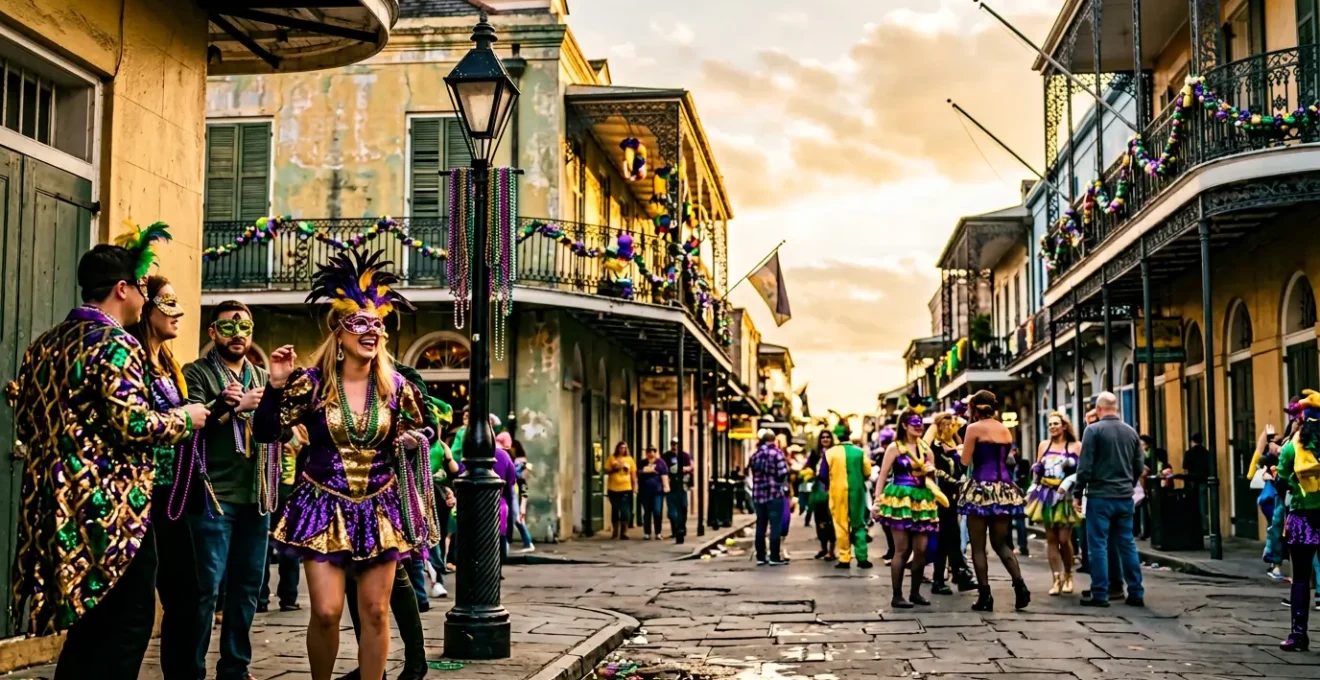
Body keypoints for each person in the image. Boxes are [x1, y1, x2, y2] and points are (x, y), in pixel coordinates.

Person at [8, 231, 210, 680]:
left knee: (89, 624)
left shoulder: (45, 343)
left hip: (54, 506)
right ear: (123, 288)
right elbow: (133, 424)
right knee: (127, 624)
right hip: (111, 512)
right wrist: (186, 418)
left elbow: (25, 422)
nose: (143, 298)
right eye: (141, 289)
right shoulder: (117, 343)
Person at [252, 250, 437, 680]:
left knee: (374, 612)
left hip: (379, 507)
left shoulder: (397, 389)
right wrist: (275, 385)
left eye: (378, 324)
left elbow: (429, 429)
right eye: (361, 323)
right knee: (327, 611)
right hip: (322, 507)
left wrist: (414, 440)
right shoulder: (311, 385)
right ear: (339, 331)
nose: (372, 331)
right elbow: (265, 432)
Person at [182, 300, 278, 680]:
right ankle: (191, 670)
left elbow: (280, 430)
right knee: (205, 590)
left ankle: (235, 668)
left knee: (247, 587)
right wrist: (230, 409)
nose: (237, 335)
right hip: (213, 496)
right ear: (211, 332)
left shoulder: (264, 377)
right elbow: (189, 424)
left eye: (244, 328)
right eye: (227, 328)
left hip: (257, 497)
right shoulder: (197, 373)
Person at [130, 274, 210, 680]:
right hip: (140, 495)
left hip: (175, 493)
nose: (177, 314)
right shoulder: (132, 359)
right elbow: (136, 422)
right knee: (139, 600)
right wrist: (185, 418)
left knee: (188, 593)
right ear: (146, 309)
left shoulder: (168, 363)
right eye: (167, 304)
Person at [959, 390, 1030, 612]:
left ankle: (985, 596)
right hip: (1003, 490)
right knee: (1001, 544)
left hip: (980, 489)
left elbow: (965, 461)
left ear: (973, 407)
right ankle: (1020, 588)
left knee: (978, 547)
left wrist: (956, 452)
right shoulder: (1004, 429)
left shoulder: (973, 429)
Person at [1072, 392, 1145, 608]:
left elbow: (1084, 467)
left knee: (1098, 546)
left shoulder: (1093, 430)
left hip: (1100, 497)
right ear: (1116, 408)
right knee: (1127, 544)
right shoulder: (1131, 432)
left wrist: (1077, 493)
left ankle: (1100, 593)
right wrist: (1128, 484)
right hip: (1124, 497)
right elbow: (1139, 466)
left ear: (1099, 408)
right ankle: (1135, 592)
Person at [875, 412, 939, 607]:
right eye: (914, 423)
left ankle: (915, 593)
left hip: (922, 501)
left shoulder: (927, 450)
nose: (919, 426)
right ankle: (897, 595)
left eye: (921, 423)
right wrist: (877, 502)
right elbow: (883, 475)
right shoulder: (894, 448)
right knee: (902, 549)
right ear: (904, 425)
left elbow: (931, 481)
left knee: (921, 549)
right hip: (899, 500)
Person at [1277, 390, 1320, 652]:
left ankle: (1298, 635)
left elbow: (1282, 482)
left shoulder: (1292, 448)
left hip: (1303, 518)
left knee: (1301, 578)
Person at [1026, 412, 1082, 596]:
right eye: (1050, 424)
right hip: (1047, 494)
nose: (1052, 427)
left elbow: (1082, 472)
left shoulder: (1076, 446)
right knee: (1051, 539)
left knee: (1064, 540)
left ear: (1064, 426)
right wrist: (1033, 486)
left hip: (1065, 496)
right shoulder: (1044, 445)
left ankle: (1068, 575)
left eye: (1056, 423)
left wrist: (1070, 483)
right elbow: (1038, 469)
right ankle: (1056, 579)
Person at [927, 413, 974, 595]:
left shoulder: (955, 442)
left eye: (950, 424)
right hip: (941, 496)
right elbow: (932, 467)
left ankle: (959, 575)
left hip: (955, 495)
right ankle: (939, 579)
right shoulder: (934, 447)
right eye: (943, 425)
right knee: (945, 537)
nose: (947, 428)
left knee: (953, 537)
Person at [260, 426, 305, 612]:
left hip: (267, 485)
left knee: (265, 542)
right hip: (285, 486)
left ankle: (261, 598)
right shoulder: (297, 426)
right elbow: (300, 444)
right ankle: (288, 597)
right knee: (287, 542)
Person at [826, 429, 874, 571]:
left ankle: (844, 558)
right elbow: (867, 472)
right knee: (858, 523)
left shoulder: (829, 453)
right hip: (857, 492)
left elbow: (823, 474)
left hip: (837, 493)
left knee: (841, 525)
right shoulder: (859, 452)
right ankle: (862, 558)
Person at [1247, 427, 1286, 579]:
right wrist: (1267, 437)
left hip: (1274, 499)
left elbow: (1258, 451)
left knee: (1276, 531)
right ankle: (1274, 563)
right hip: (1272, 499)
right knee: (1276, 530)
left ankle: (1273, 561)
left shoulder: (1274, 458)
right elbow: (1258, 452)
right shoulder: (1270, 459)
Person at [749, 430, 789, 566]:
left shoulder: (755, 455)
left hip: (758, 496)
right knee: (775, 526)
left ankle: (760, 556)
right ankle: (774, 556)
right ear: (774, 440)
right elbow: (783, 472)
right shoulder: (777, 454)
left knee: (761, 525)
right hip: (774, 495)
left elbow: (752, 472)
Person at [802, 430, 836, 560]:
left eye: (828, 437)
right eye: (823, 437)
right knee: (819, 519)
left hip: (833, 489)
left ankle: (831, 550)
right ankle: (823, 548)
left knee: (831, 520)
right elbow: (807, 467)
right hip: (818, 489)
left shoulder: (835, 453)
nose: (825, 439)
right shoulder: (815, 453)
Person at [664, 436, 695, 544]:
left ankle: (682, 528)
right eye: (673, 444)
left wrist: (685, 469)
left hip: (682, 486)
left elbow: (691, 466)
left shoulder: (684, 455)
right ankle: (675, 530)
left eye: (676, 444)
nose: (674, 446)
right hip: (671, 485)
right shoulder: (666, 456)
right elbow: (663, 469)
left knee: (683, 507)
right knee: (672, 511)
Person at [605, 441, 638, 539]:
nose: (622, 450)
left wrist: (635, 487)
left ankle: (624, 532)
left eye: (624, 448)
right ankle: (615, 531)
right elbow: (606, 470)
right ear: (617, 448)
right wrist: (614, 469)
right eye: (620, 448)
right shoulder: (611, 458)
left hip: (626, 488)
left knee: (625, 511)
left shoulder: (630, 460)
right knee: (615, 510)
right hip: (613, 488)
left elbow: (633, 475)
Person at [638, 446, 670, 539]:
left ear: (655, 453)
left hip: (657, 491)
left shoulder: (660, 463)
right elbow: (638, 472)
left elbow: (664, 475)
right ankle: (647, 533)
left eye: (653, 452)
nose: (651, 454)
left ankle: (658, 532)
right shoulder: (642, 463)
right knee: (647, 512)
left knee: (657, 511)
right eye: (649, 452)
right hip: (645, 491)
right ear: (646, 453)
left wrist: (666, 486)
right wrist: (645, 470)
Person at [1184, 432, 1212, 535]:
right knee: (1203, 505)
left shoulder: (1189, 453)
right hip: (1203, 480)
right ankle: (1205, 529)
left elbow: (1185, 467)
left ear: (1192, 441)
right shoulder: (1206, 452)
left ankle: (1194, 527)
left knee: (1192, 504)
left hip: (1192, 480)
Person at [511, 440, 535, 552]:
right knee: (518, 519)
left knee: (518, 519)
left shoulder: (518, 462)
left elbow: (519, 478)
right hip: (520, 491)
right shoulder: (522, 462)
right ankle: (527, 542)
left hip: (518, 491)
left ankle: (528, 543)